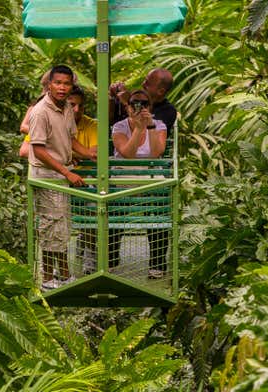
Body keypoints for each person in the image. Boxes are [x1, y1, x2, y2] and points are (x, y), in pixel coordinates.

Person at [28, 65, 96, 290]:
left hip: (62, 175)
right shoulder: (40, 112)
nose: (62, 88)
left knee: (62, 227)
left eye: (67, 84)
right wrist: (67, 172)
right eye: (58, 83)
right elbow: (38, 150)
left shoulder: (67, 107)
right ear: (49, 85)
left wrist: (88, 154)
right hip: (48, 176)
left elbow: (70, 139)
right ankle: (48, 278)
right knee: (51, 226)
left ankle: (63, 275)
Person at [109, 89, 169, 279]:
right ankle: (110, 260)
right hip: (125, 175)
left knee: (159, 215)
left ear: (149, 107)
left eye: (144, 103)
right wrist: (137, 128)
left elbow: (156, 152)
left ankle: (158, 263)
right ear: (127, 107)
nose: (139, 107)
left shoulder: (159, 125)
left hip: (151, 173)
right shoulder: (119, 127)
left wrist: (149, 126)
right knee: (115, 216)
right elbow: (127, 153)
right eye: (135, 103)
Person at [109, 68, 177, 131]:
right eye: (144, 80)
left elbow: (143, 132)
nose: (143, 84)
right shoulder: (135, 99)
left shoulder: (168, 111)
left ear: (160, 91)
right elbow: (108, 121)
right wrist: (112, 97)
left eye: (147, 83)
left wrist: (127, 103)